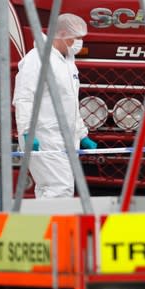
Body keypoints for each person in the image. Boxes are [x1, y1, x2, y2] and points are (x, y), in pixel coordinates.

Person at [13, 13, 97, 198]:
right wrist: (27, 132)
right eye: (76, 38)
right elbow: (24, 98)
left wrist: (82, 135)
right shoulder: (37, 60)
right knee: (60, 188)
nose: (79, 43)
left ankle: (40, 226)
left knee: (48, 189)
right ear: (62, 34)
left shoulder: (67, 62)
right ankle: (54, 227)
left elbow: (70, 103)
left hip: (63, 139)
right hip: (43, 137)